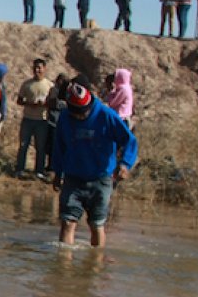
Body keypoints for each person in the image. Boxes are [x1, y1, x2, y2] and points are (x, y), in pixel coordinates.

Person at [51, 77, 138, 248]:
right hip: (73, 178)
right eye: (76, 113)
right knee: (67, 222)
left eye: (83, 112)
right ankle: (64, 269)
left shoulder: (106, 115)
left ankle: (96, 266)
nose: (80, 116)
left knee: (96, 225)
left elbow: (129, 140)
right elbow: (59, 146)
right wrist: (57, 172)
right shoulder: (65, 118)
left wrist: (125, 164)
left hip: (101, 179)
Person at [14, 58, 53, 180]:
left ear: (44, 69)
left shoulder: (49, 85)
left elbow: (53, 103)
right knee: (23, 145)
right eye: (35, 68)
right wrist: (29, 103)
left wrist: (45, 104)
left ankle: (39, 171)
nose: (37, 70)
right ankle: (20, 169)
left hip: (42, 120)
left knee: (40, 147)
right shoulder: (27, 84)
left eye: (39, 68)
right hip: (28, 119)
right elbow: (19, 100)